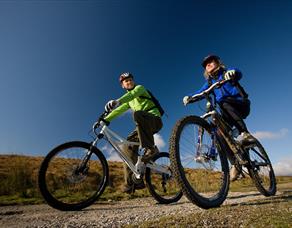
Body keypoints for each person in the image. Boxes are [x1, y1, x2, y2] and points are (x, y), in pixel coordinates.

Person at [183, 55, 253, 181]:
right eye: (206, 65)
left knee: (223, 103)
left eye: (210, 62)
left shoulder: (226, 72)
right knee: (220, 135)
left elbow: (238, 72)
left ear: (218, 63)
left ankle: (245, 133)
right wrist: (189, 97)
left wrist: (233, 73)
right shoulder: (209, 83)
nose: (208, 65)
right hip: (228, 113)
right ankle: (235, 163)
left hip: (240, 104)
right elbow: (199, 92)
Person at [103, 72, 163, 193]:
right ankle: (133, 183)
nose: (129, 82)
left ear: (133, 81)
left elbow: (132, 95)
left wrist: (117, 101)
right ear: (123, 85)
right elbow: (118, 110)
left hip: (154, 120)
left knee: (137, 114)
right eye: (126, 81)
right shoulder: (129, 101)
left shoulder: (140, 88)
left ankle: (151, 148)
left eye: (130, 79)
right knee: (127, 147)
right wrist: (105, 119)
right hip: (141, 126)